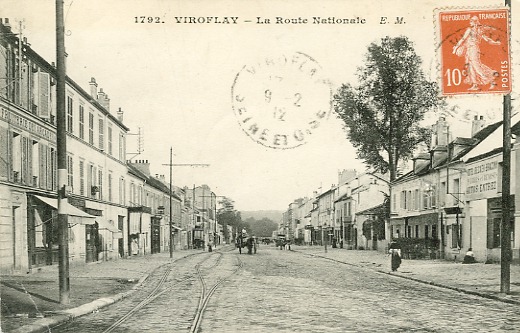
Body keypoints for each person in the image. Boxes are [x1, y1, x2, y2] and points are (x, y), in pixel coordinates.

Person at [452, 16, 501, 91]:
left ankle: (491, 80)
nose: (470, 23)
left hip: (473, 50)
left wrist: (455, 48)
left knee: (476, 66)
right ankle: (475, 85)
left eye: (471, 21)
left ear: (475, 22)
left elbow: (463, 39)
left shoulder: (470, 30)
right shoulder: (480, 31)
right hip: (470, 50)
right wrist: (496, 43)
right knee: (470, 67)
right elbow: (488, 40)